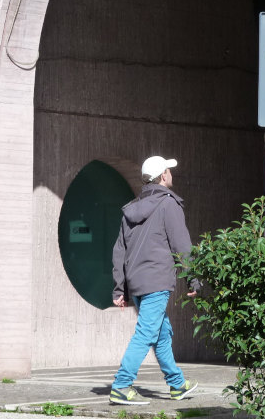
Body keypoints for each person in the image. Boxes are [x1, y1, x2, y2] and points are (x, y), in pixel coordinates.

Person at [108, 155, 200, 406]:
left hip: (137, 283)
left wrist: (120, 288)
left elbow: (120, 250)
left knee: (160, 333)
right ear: (162, 176)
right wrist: (193, 279)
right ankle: (121, 385)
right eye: (169, 170)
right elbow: (182, 245)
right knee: (146, 333)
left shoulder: (131, 208)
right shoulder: (168, 204)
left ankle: (177, 384)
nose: (171, 173)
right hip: (157, 281)